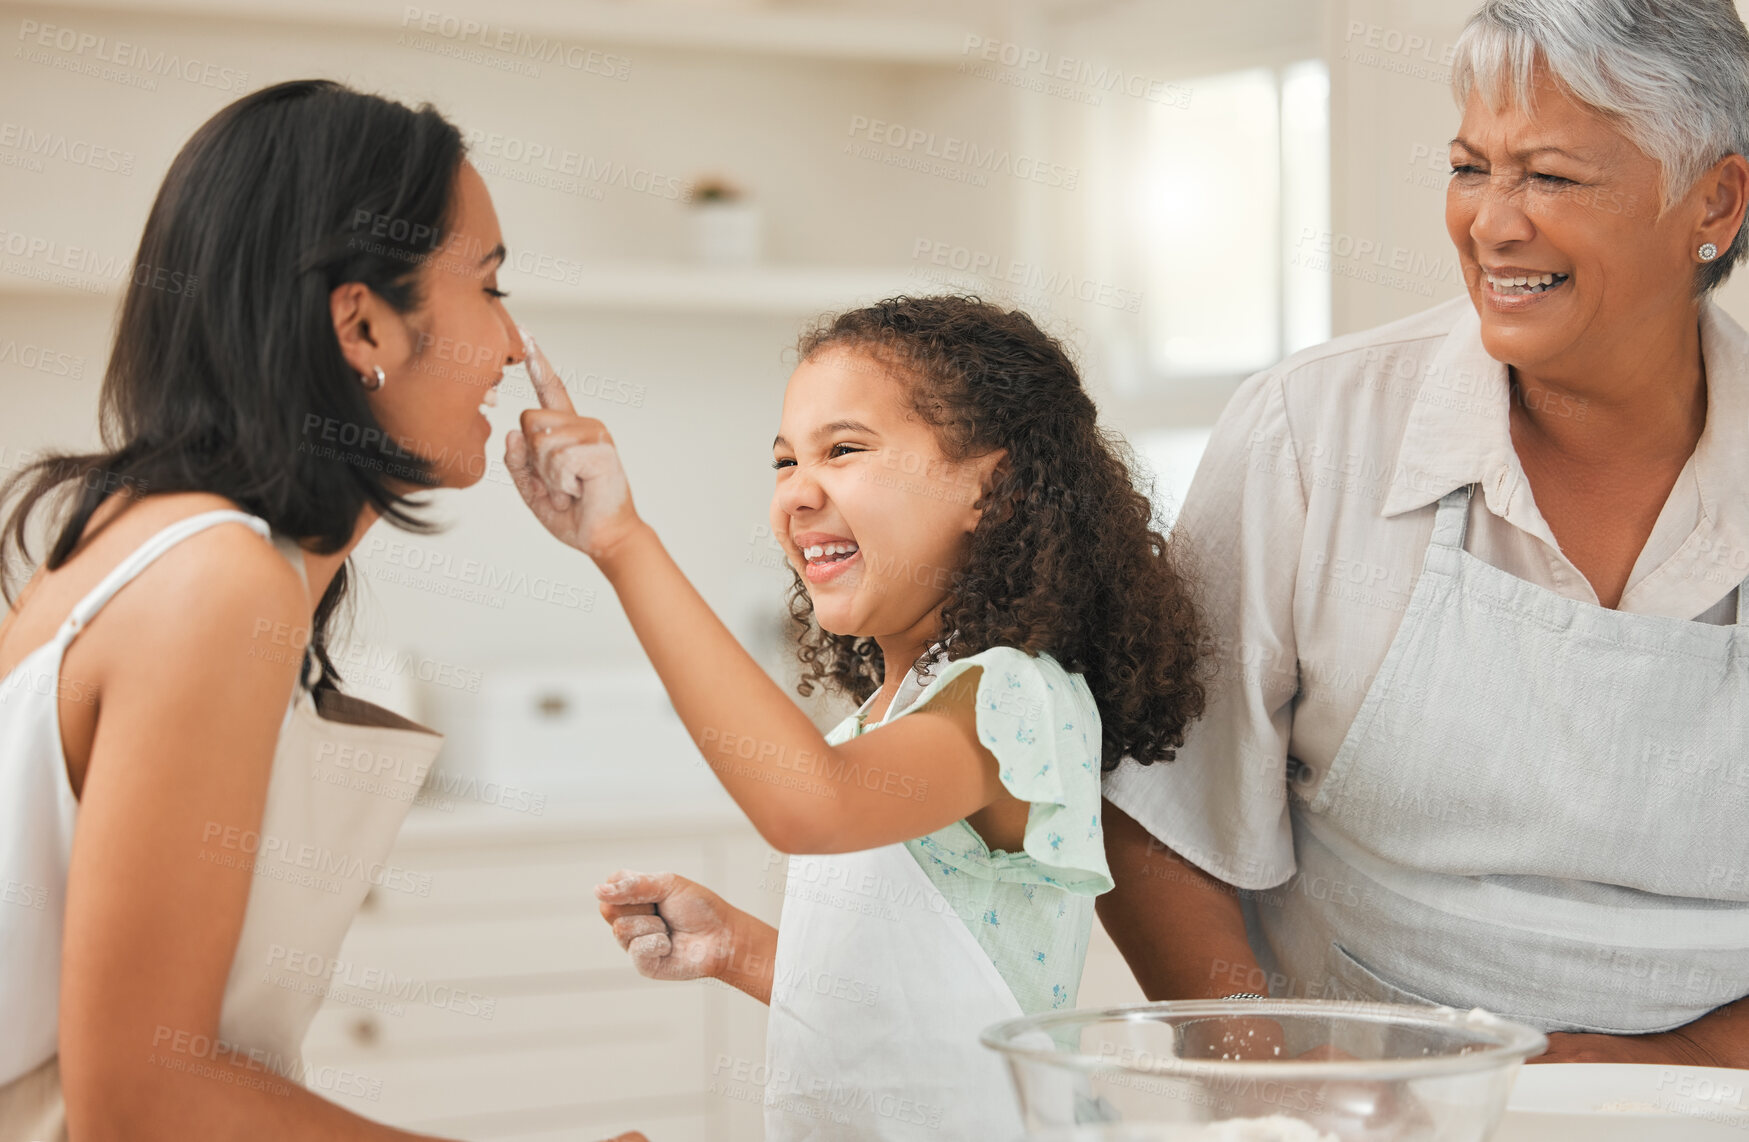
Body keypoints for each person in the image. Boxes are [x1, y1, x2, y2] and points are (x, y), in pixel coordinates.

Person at [1096, 0, 1749, 1069]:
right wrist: (1275, 1085)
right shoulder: (1311, 436)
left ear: (1714, 201)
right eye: (1469, 167)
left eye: (1550, 177)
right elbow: (1159, 815)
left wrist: (1647, 1077)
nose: (1492, 223)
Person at [505, 296, 1208, 1138]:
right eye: (783, 462)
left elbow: (811, 803)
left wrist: (623, 543)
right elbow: (905, 1011)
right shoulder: (870, 729)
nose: (797, 493)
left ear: (994, 491)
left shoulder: (1017, 699)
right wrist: (737, 947)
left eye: (842, 450)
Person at [0, 79, 535, 1140]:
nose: (514, 347)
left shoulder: (192, 549)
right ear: (362, 321)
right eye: (490, 287)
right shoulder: (217, 579)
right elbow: (141, 1100)